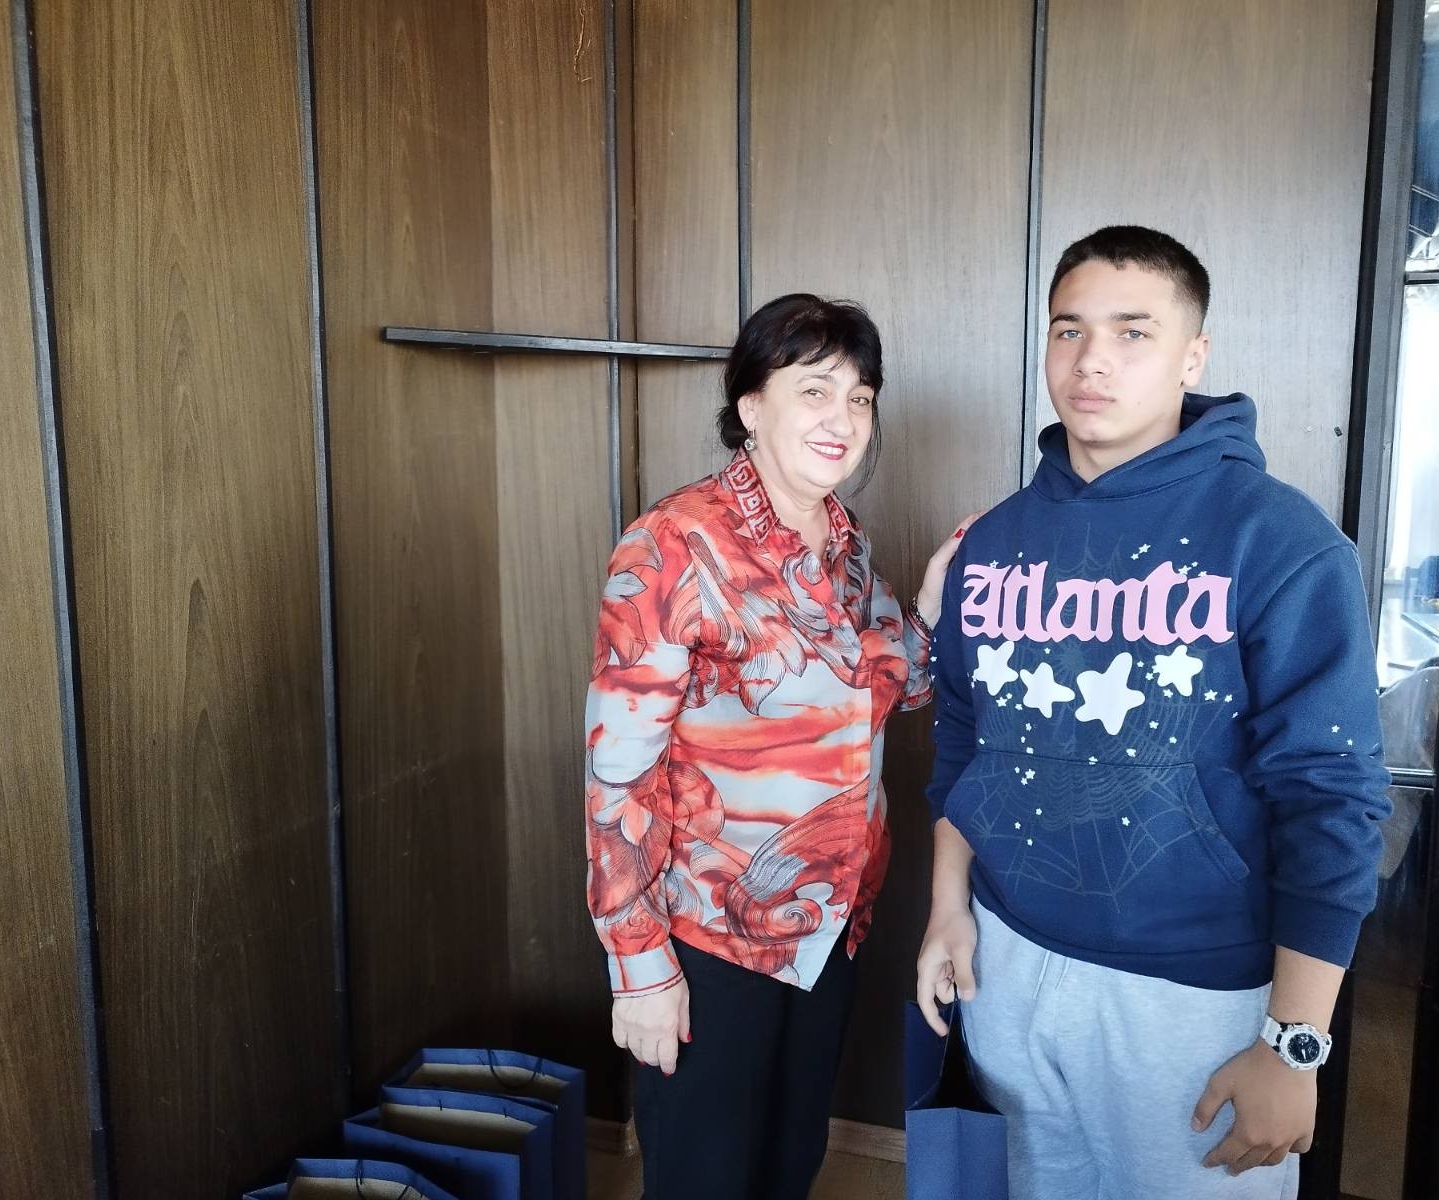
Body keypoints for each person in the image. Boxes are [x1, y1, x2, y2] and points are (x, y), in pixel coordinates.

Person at [916, 226, 1391, 1199]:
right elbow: (964, 738)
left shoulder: (1281, 541)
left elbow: (1332, 797)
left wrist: (1294, 1042)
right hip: (1006, 961)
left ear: (1192, 356)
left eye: (1133, 332)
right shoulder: (989, 545)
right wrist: (946, 907)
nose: (1091, 360)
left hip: (1192, 995)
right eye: (1068, 330)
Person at [585, 293, 972, 1200]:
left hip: (829, 926)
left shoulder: (844, 544)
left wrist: (932, 603)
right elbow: (617, 775)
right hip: (710, 937)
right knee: (705, 1180)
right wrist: (638, 968)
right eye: (815, 391)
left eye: (861, 398)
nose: (844, 419)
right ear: (752, 405)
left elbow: (894, 685)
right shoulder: (674, 544)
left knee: (789, 1165)